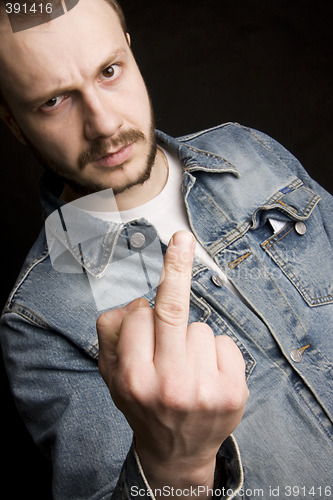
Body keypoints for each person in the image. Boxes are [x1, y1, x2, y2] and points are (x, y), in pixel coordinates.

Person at [0, 1, 332, 499]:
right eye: (54, 101)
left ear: (131, 54)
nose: (105, 124)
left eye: (110, 71)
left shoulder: (247, 148)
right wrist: (175, 466)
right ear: (13, 123)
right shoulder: (39, 317)